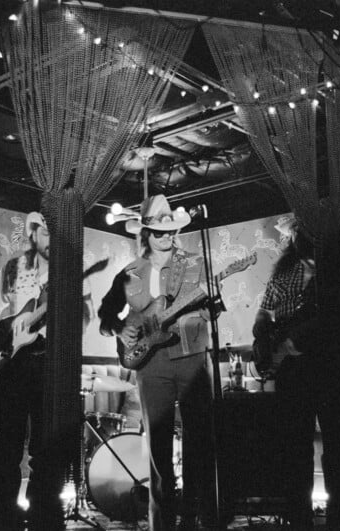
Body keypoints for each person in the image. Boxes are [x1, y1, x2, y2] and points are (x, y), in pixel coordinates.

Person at [98, 195, 215, 531]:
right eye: (160, 232)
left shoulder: (194, 263)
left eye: (171, 232)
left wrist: (205, 310)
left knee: (199, 442)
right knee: (159, 448)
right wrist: (121, 329)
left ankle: (193, 518)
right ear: (145, 233)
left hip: (192, 357)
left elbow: (210, 308)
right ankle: (160, 524)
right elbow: (106, 316)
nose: (168, 237)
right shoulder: (129, 273)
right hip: (150, 365)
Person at [252, 216, 340, 530]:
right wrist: (264, 333)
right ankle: (299, 521)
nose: (300, 236)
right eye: (298, 231)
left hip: (333, 369)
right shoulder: (284, 271)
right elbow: (265, 311)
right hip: (293, 373)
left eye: (308, 231)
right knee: (295, 452)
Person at [0, 211, 49, 527]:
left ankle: (39, 514)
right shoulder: (12, 267)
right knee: (7, 447)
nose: (50, 238)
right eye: (45, 232)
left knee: (43, 448)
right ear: (33, 233)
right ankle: (2, 515)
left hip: (45, 360)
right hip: (12, 362)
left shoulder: (63, 274)